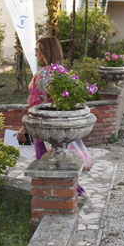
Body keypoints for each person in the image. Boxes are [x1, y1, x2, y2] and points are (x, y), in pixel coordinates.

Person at [24, 36, 93, 169]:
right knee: (61, 165)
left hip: (44, 128)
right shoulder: (63, 72)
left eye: (37, 49)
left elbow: (36, 103)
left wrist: (24, 127)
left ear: (46, 51)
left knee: (46, 167)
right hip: (61, 128)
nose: (35, 53)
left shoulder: (43, 73)